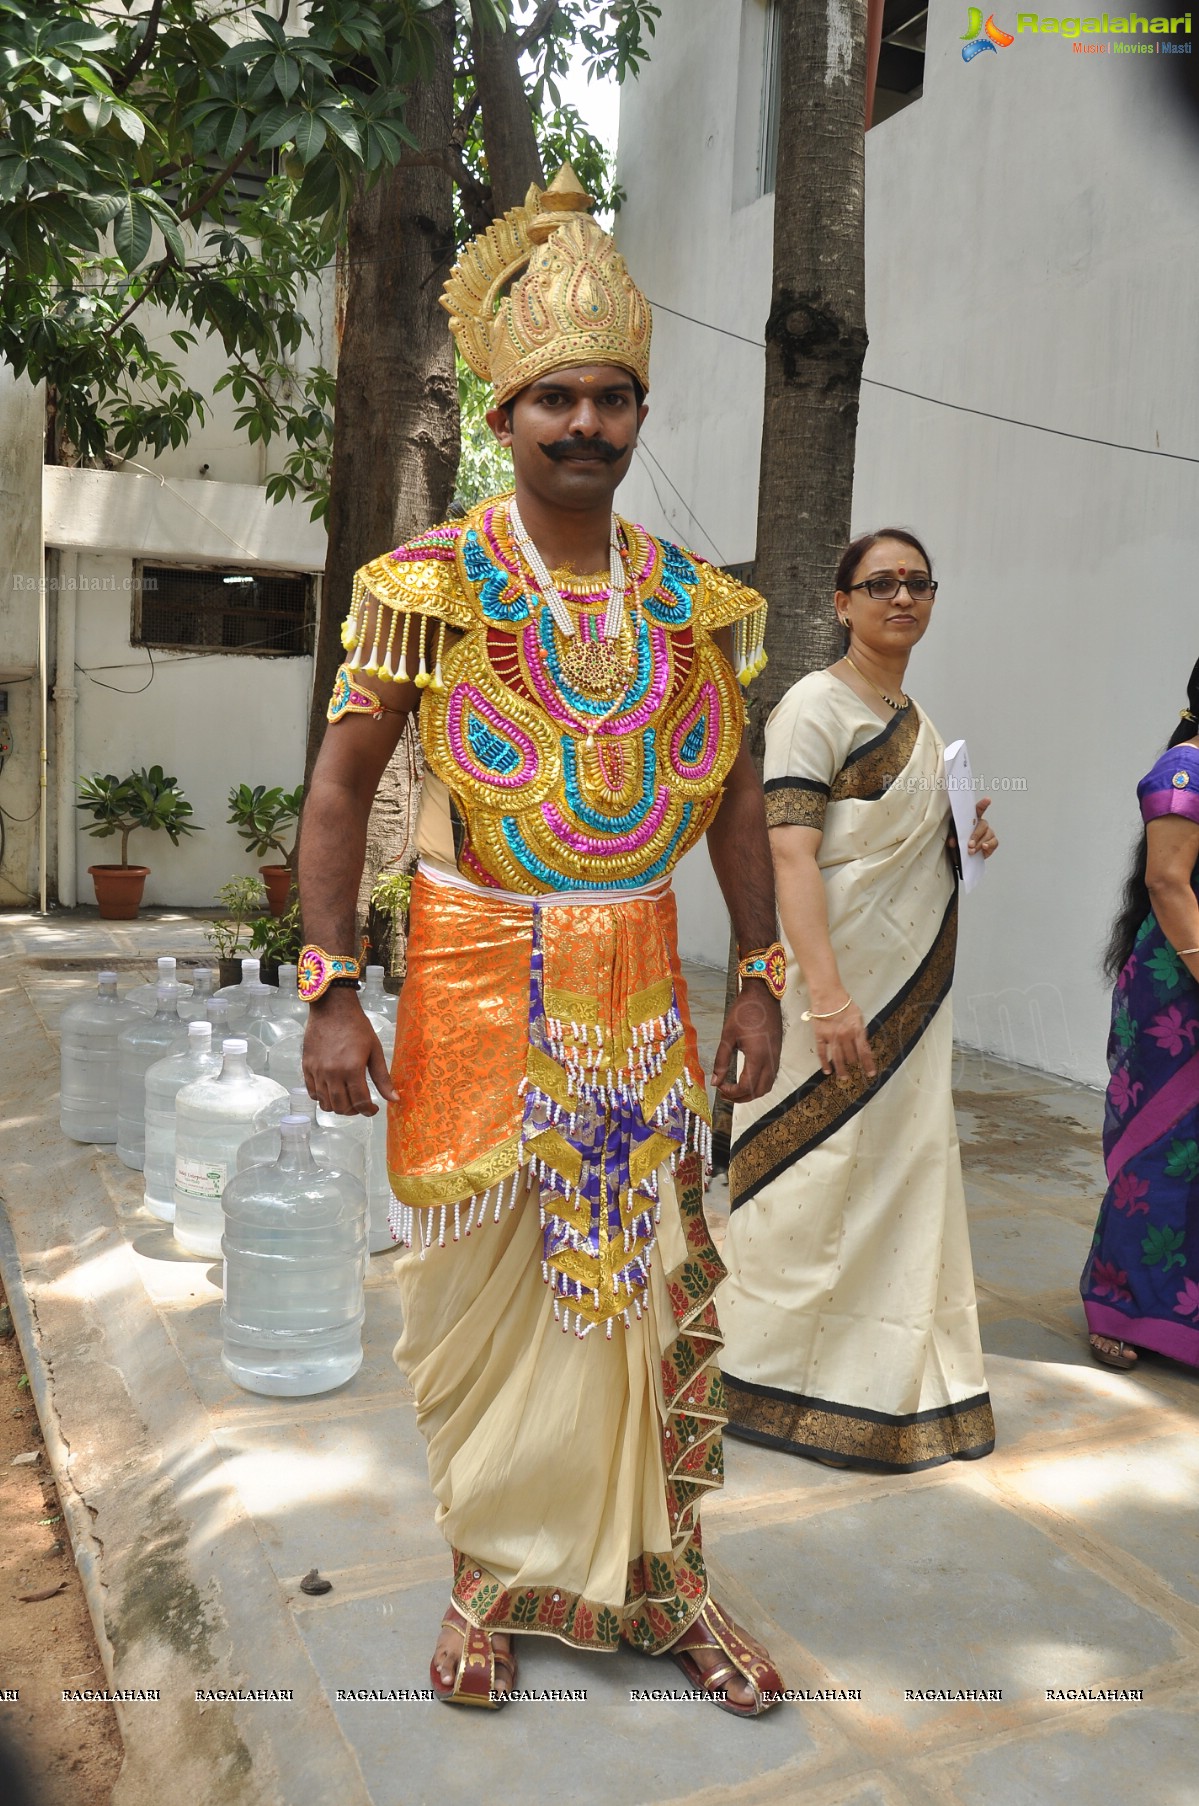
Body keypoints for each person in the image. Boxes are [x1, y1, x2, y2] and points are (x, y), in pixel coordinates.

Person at [299, 167, 788, 1713]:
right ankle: (482, 1581)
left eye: (613, 399)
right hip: (470, 982)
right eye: (555, 398)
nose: (585, 424)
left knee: (640, 1291)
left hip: (638, 990)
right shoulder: (421, 587)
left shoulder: (698, 607)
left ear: (640, 415)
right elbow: (337, 788)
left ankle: (666, 1578)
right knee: (486, 1308)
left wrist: (762, 976)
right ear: (505, 415)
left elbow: (727, 806)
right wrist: (328, 988)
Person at [717, 529, 1000, 1472]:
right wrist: (828, 998)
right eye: (879, 584)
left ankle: (880, 1377)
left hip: (910, 992)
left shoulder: (912, 713)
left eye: (918, 582)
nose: (901, 598)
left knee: (899, 1169)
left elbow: (886, 836)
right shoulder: (812, 705)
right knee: (812, 1171)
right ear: (841, 602)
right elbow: (789, 852)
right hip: (838, 993)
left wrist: (961, 834)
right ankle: (767, 1370)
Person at [1081, 659, 1199, 1371]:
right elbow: (1166, 881)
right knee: (1157, 1150)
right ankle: (1118, 1302)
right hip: (1175, 991)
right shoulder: (1183, 773)